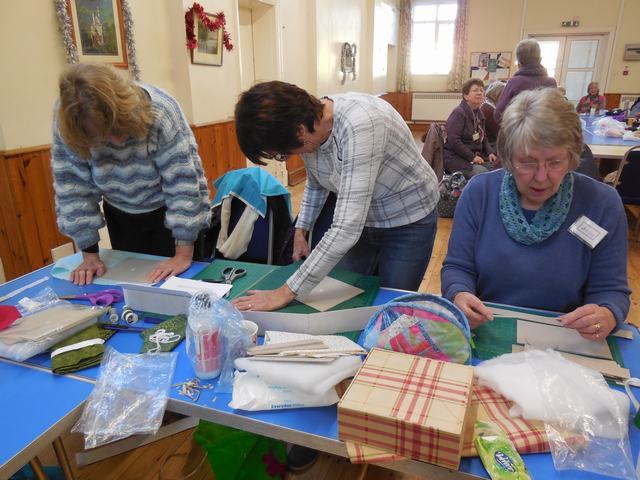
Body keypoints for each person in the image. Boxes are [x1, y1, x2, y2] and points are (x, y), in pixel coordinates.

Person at [232, 81, 439, 312]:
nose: (286, 157)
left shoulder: (362, 125)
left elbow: (345, 229)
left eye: (282, 153)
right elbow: (318, 182)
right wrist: (302, 229)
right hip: (363, 219)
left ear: (299, 131)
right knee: (346, 295)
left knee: (391, 306)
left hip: (408, 218)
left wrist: (284, 293)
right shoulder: (309, 127)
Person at [441, 88, 630, 340]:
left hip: (567, 338)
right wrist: (458, 293)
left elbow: (611, 290)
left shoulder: (602, 203)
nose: (541, 177)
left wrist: (607, 314)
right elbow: (458, 267)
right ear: (508, 158)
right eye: (527, 162)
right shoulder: (479, 193)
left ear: (572, 157)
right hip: (487, 330)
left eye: (555, 162)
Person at [52, 63, 211, 286]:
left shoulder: (161, 111)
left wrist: (183, 255)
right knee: (136, 286)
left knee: (180, 287)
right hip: (121, 214)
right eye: (104, 138)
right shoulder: (70, 122)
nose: (117, 141)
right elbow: (73, 188)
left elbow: (183, 187)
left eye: (119, 129)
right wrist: (89, 254)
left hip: (173, 211)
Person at [444, 78, 498, 179]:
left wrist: (490, 152)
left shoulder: (479, 113)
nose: (479, 93)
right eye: (475, 90)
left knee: (497, 168)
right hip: (455, 158)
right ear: (466, 96)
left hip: (471, 157)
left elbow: (483, 137)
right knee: (484, 174)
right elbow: (454, 141)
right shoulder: (459, 113)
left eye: (481, 90)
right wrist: (472, 157)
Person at [493, 39, 557, 124]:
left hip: (518, 134)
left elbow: (498, 115)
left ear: (519, 64)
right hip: (545, 134)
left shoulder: (514, 82)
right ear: (540, 60)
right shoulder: (551, 83)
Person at [480, 80, 506, 148]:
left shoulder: (489, 105)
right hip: (490, 143)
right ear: (497, 94)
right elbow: (498, 132)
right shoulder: (488, 109)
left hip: (491, 140)